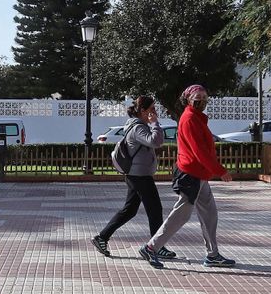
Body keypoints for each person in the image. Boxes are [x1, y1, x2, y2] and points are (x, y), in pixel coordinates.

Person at [140, 84, 236, 269]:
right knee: (180, 215)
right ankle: (151, 248)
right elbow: (199, 151)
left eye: (205, 97)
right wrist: (220, 170)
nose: (202, 100)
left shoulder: (197, 118)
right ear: (189, 99)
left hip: (199, 176)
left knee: (209, 214)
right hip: (191, 175)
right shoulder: (190, 118)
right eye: (198, 97)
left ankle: (213, 254)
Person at [92, 96, 176, 259]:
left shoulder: (140, 126)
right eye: (152, 109)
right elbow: (156, 141)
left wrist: (151, 124)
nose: (155, 112)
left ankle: (101, 237)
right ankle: (156, 246)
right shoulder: (138, 128)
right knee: (155, 209)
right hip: (139, 176)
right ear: (142, 111)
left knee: (129, 210)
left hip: (137, 174)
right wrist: (154, 124)